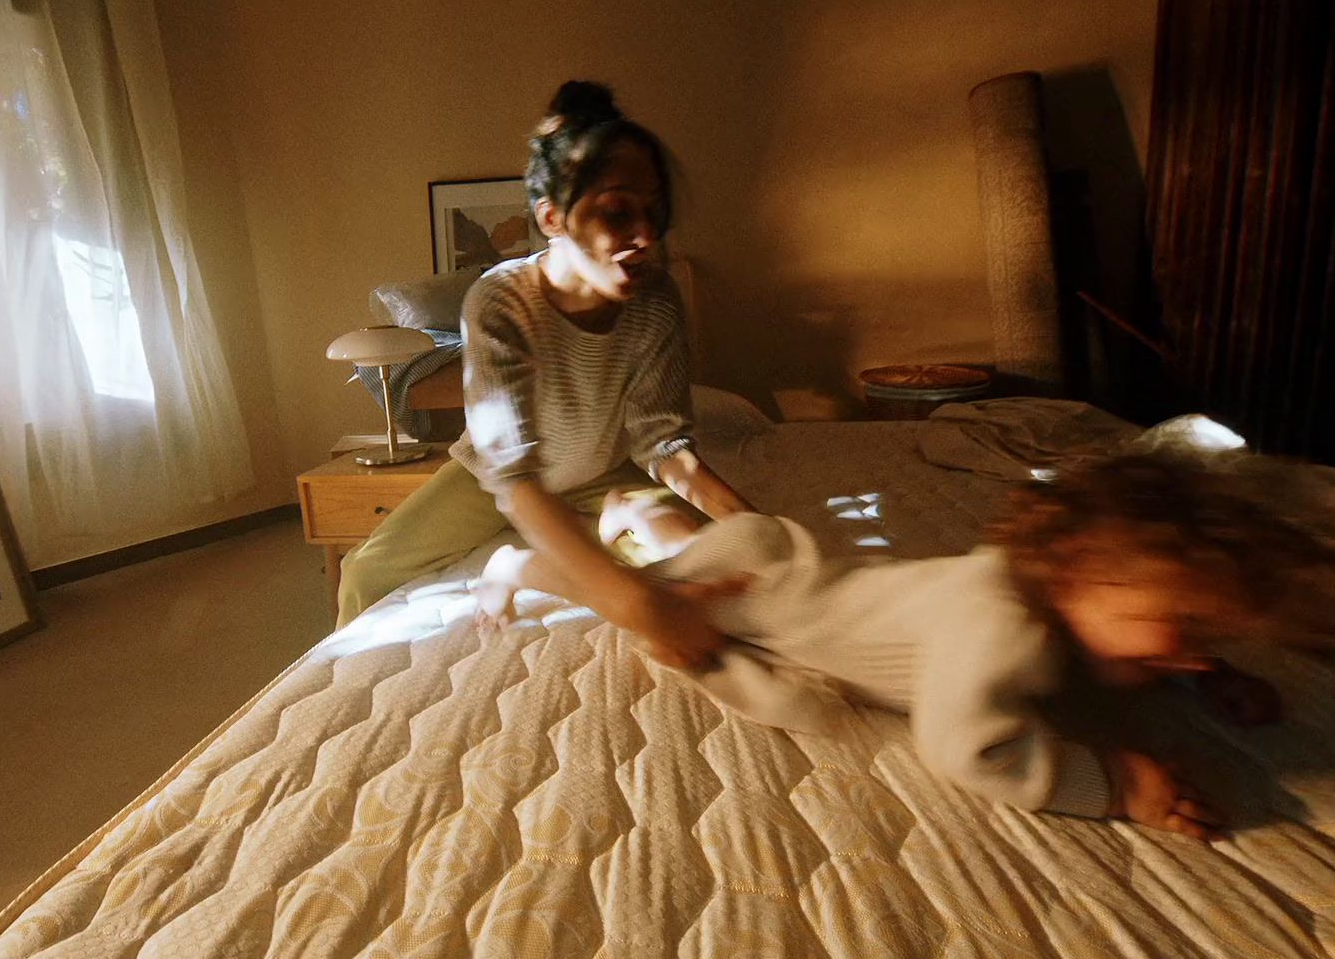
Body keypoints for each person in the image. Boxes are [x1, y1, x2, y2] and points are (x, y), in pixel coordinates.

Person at [473, 450, 1335, 840]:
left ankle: (634, 511)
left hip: (802, 568)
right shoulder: (1002, 631)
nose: (1184, 649)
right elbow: (962, 744)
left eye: (1205, 633)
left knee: (694, 552)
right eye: (1177, 629)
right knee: (650, 602)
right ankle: (524, 562)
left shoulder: (1061, 587)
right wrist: (1111, 782)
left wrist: (1202, 676)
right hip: (769, 603)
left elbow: (1125, 639)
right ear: (1080, 575)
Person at [337, 81, 754, 666]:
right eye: (616, 212)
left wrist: (749, 525)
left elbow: (663, 440)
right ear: (552, 217)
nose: (645, 236)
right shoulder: (500, 303)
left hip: (605, 471)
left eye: (655, 212)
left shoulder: (655, 301)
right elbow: (515, 478)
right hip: (494, 478)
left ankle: (567, 545)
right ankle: (353, 683)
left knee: (701, 558)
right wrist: (635, 605)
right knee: (364, 570)